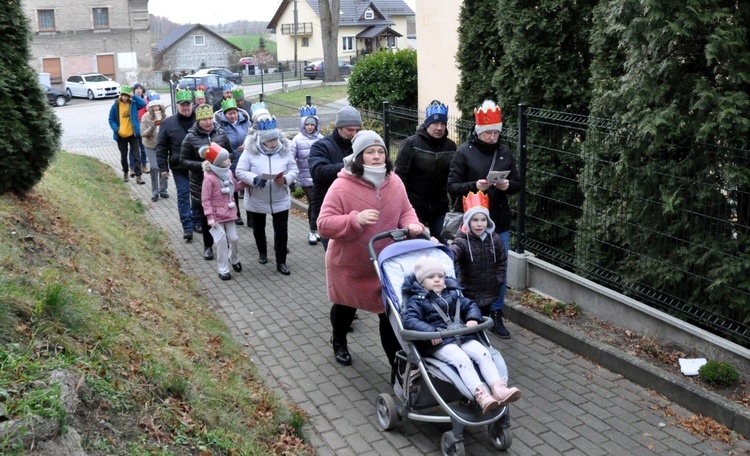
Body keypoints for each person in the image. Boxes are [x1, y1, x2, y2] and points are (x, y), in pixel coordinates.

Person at [317, 130, 424, 372]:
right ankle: (339, 340)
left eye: (380, 152)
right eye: (370, 152)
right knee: (345, 308)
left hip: (384, 264)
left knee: (388, 316)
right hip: (350, 265)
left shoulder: (394, 181)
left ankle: (398, 370)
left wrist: (412, 224)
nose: (376, 156)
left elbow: (406, 210)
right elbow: (323, 224)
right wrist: (354, 220)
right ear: (358, 156)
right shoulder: (341, 185)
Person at [402, 256, 521, 413]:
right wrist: (430, 332)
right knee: (462, 359)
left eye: (440, 276)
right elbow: (410, 320)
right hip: (440, 343)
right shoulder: (417, 301)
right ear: (421, 281)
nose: (437, 280)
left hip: (463, 336)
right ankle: (481, 394)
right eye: (431, 277)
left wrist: (472, 317)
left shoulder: (453, 294)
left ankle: (498, 388)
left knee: (484, 353)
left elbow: (470, 305)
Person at [447, 99, 520, 337]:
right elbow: (452, 186)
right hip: (471, 222)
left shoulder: (505, 152)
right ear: (479, 131)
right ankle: (463, 311)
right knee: (465, 267)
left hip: (498, 221)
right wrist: (474, 185)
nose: (492, 137)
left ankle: (496, 314)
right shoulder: (463, 152)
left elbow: (518, 184)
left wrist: (508, 185)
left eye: (496, 132)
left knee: (499, 268)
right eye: (488, 132)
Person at [235, 117, 298, 275]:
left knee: (281, 230)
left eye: (275, 139)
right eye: (269, 140)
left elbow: (294, 170)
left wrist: (285, 179)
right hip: (257, 198)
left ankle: (281, 262)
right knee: (258, 228)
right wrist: (254, 179)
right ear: (262, 140)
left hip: (280, 198)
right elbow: (240, 171)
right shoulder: (250, 151)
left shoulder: (285, 150)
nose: (273, 143)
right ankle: (262, 252)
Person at [449, 191, 511, 338]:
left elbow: (502, 261)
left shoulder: (495, 239)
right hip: (469, 293)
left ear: (488, 221)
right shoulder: (462, 241)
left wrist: (499, 280)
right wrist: (447, 253)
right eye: (475, 220)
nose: (479, 224)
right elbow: (454, 252)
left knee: (481, 322)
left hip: (489, 292)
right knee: (470, 323)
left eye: (483, 220)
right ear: (468, 222)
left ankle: (481, 342)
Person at [395, 100, 457, 244]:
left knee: (443, 245)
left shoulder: (451, 146)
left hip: (439, 207)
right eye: (435, 124)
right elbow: (399, 176)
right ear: (427, 124)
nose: (439, 128)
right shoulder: (412, 143)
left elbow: (453, 176)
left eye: (443, 124)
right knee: (415, 245)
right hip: (415, 206)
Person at [179, 104, 234, 261]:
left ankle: (226, 243)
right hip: (201, 182)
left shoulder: (221, 133)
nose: (208, 122)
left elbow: (230, 152)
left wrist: (225, 161)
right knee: (206, 216)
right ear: (198, 120)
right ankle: (208, 246)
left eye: (210, 118)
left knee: (224, 214)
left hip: (222, 183)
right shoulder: (190, 137)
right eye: (204, 119)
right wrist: (202, 166)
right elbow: (182, 160)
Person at [309, 106, 363, 250]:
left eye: (357, 130)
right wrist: (349, 166)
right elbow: (318, 171)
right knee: (335, 256)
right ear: (339, 127)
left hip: (354, 210)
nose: (354, 134)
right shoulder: (321, 146)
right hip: (330, 209)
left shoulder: (361, 146)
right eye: (350, 130)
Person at [200, 143, 247, 280]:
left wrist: (246, 183)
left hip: (229, 212)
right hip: (216, 215)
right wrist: (210, 217)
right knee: (221, 240)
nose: (229, 161)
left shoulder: (228, 172)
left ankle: (234, 258)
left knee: (234, 238)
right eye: (226, 159)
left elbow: (233, 187)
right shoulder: (209, 178)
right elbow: (206, 199)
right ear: (219, 162)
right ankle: (223, 269)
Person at [156, 89, 197, 242]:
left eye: (188, 105)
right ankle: (187, 226)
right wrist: (163, 168)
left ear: (192, 105)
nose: (185, 108)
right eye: (182, 105)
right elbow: (161, 147)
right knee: (183, 194)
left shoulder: (199, 120)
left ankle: (197, 221)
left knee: (198, 196)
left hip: (198, 166)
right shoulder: (168, 123)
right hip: (179, 167)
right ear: (177, 106)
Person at [290, 105, 324, 245]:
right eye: (307, 124)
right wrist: (293, 175)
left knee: (317, 203)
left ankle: (315, 229)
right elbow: (291, 158)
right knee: (313, 202)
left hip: (318, 176)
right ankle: (312, 230)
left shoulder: (321, 138)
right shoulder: (297, 140)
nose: (310, 127)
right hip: (304, 176)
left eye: (312, 124)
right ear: (303, 124)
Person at [214, 97, 251, 226]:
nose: (233, 116)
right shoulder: (220, 126)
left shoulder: (245, 122)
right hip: (231, 161)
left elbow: (252, 137)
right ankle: (236, 214)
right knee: (233, 188)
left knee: (249, 186)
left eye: (234, 113)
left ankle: (251, 216)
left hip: (246, 159)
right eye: (229, 113)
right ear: (224, 114)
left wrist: (247, 146)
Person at [108, 85, 146, 184]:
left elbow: (143, 103)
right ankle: (125, 172)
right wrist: (117, 129)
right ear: (120, 95)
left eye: (126, 95)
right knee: (123, 156)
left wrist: (133, 96)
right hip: (121, 135)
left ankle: (139, 176)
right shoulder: (116, 105)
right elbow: (111, 119)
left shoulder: (133, 103)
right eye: (123, 95)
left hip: (133, 135)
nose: (124, 97)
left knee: (136, 156)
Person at [140, 93, 169, 202]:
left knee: (163, 167)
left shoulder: (165, 116)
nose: (156, 108)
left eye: (157, 106)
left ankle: (163, 190)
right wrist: (152, 128)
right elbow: (142, 133)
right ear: (150, 107)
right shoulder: (145, 116)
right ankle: (155, 192)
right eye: (153, 106)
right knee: (154, 167)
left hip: (162, 146)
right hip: (150, 144)